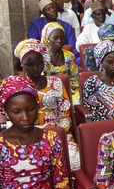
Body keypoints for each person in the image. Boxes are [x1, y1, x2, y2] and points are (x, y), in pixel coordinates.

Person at [0, 75, 86, 189]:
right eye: (16, 111)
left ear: (38, 106)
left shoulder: (51, 139)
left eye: (31, 109)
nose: (25, 117)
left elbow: (62, 186)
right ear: (5, 111)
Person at [15, 38, 81, 170]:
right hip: (27, 136)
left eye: (39, 63)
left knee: (74, 161)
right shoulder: (16, 87)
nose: (35, 68)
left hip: (58, 132)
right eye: (29, 64)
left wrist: (56, 133)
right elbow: (13, 119)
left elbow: (64, 114)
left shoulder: (55, 82)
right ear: (21, 64)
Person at [41, 22, 80, 105]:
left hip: (67, 89)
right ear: (47, 38)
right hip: (48, 90)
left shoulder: (69, 56)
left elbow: (74, 78)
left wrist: (72, 91)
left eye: (62, 38)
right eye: (55, 38)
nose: (59, 41)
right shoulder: (42, 57)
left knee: (77, 100)